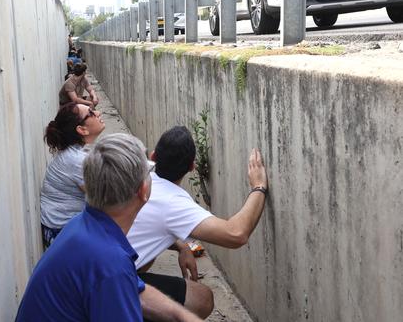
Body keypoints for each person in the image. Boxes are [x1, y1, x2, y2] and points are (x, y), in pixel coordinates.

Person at [16, 133, 202, 322]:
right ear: (143, 191)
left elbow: (135, 289)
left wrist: (180, 315)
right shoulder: (110, 263)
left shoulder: (85, 224)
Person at [127, 126, 269, 319]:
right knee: (201, 298)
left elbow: (151, 220)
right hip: (112, 284)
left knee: (147, 259)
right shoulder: (173, 203)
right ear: (192, 167)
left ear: (153, 156)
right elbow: (236, 234)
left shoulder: (136, 168)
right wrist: (258, 186)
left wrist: (182, 247)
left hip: (96, 269)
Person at [40, 102, 105, 248]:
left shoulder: (76, 153)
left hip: (66, 227)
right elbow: (105, 198)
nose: (98, 113)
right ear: (82, 130)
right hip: (60, 233)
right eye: (91, 113)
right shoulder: (77, 160)